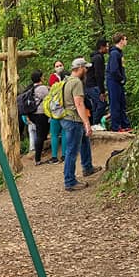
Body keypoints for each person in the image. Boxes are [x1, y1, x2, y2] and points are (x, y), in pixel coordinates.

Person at [62, 58, 102, 192]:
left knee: (84, 142)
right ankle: (70, 181)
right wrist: (87, 123)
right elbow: (79, 103)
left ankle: (88, 167)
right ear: (79, 68)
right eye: (85, 68)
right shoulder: (76, 83)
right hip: (74, 120)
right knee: (72, 151)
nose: (86, 70)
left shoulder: (66, 81)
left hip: (67, 118)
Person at [106, 34, 131, 132]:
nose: (126, 41)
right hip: (114, 82)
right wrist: (120, 78)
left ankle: (125, 125)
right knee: (115, 104)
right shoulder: (114, 54)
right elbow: (113, 70)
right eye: (125, 39)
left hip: (119, 82)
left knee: (122, 103)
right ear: (121, 41)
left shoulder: (119, 53)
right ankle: (115, 126)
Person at [26, 71, 50, 165]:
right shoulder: (43, 88)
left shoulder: (30, 88)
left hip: (32, 114)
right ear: (40, 77)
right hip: (41, 114)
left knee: (40, 134)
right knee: (40, 135)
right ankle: (37, 159)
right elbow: (49, 98)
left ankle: (38, 154)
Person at [84, 39, 108, 124]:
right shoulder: (98, 58)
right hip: (93, 86)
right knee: (102, 104)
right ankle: (95, 123)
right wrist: (102, 90)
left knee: (95, 105)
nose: (107, 48)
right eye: (106, 46)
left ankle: (95, 123)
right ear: (102, 47)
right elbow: (99, 75)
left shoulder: (96, 57)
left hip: (91, 85)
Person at [48, 62, 67, 162]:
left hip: (54, 110)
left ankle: (55, 156)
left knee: (54, 134)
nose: (59, 67)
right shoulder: (67, 79)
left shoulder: (53, 80)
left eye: (60, 65)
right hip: (63, 109)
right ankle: (63, 155)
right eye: (57, 66)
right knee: (63, 132)